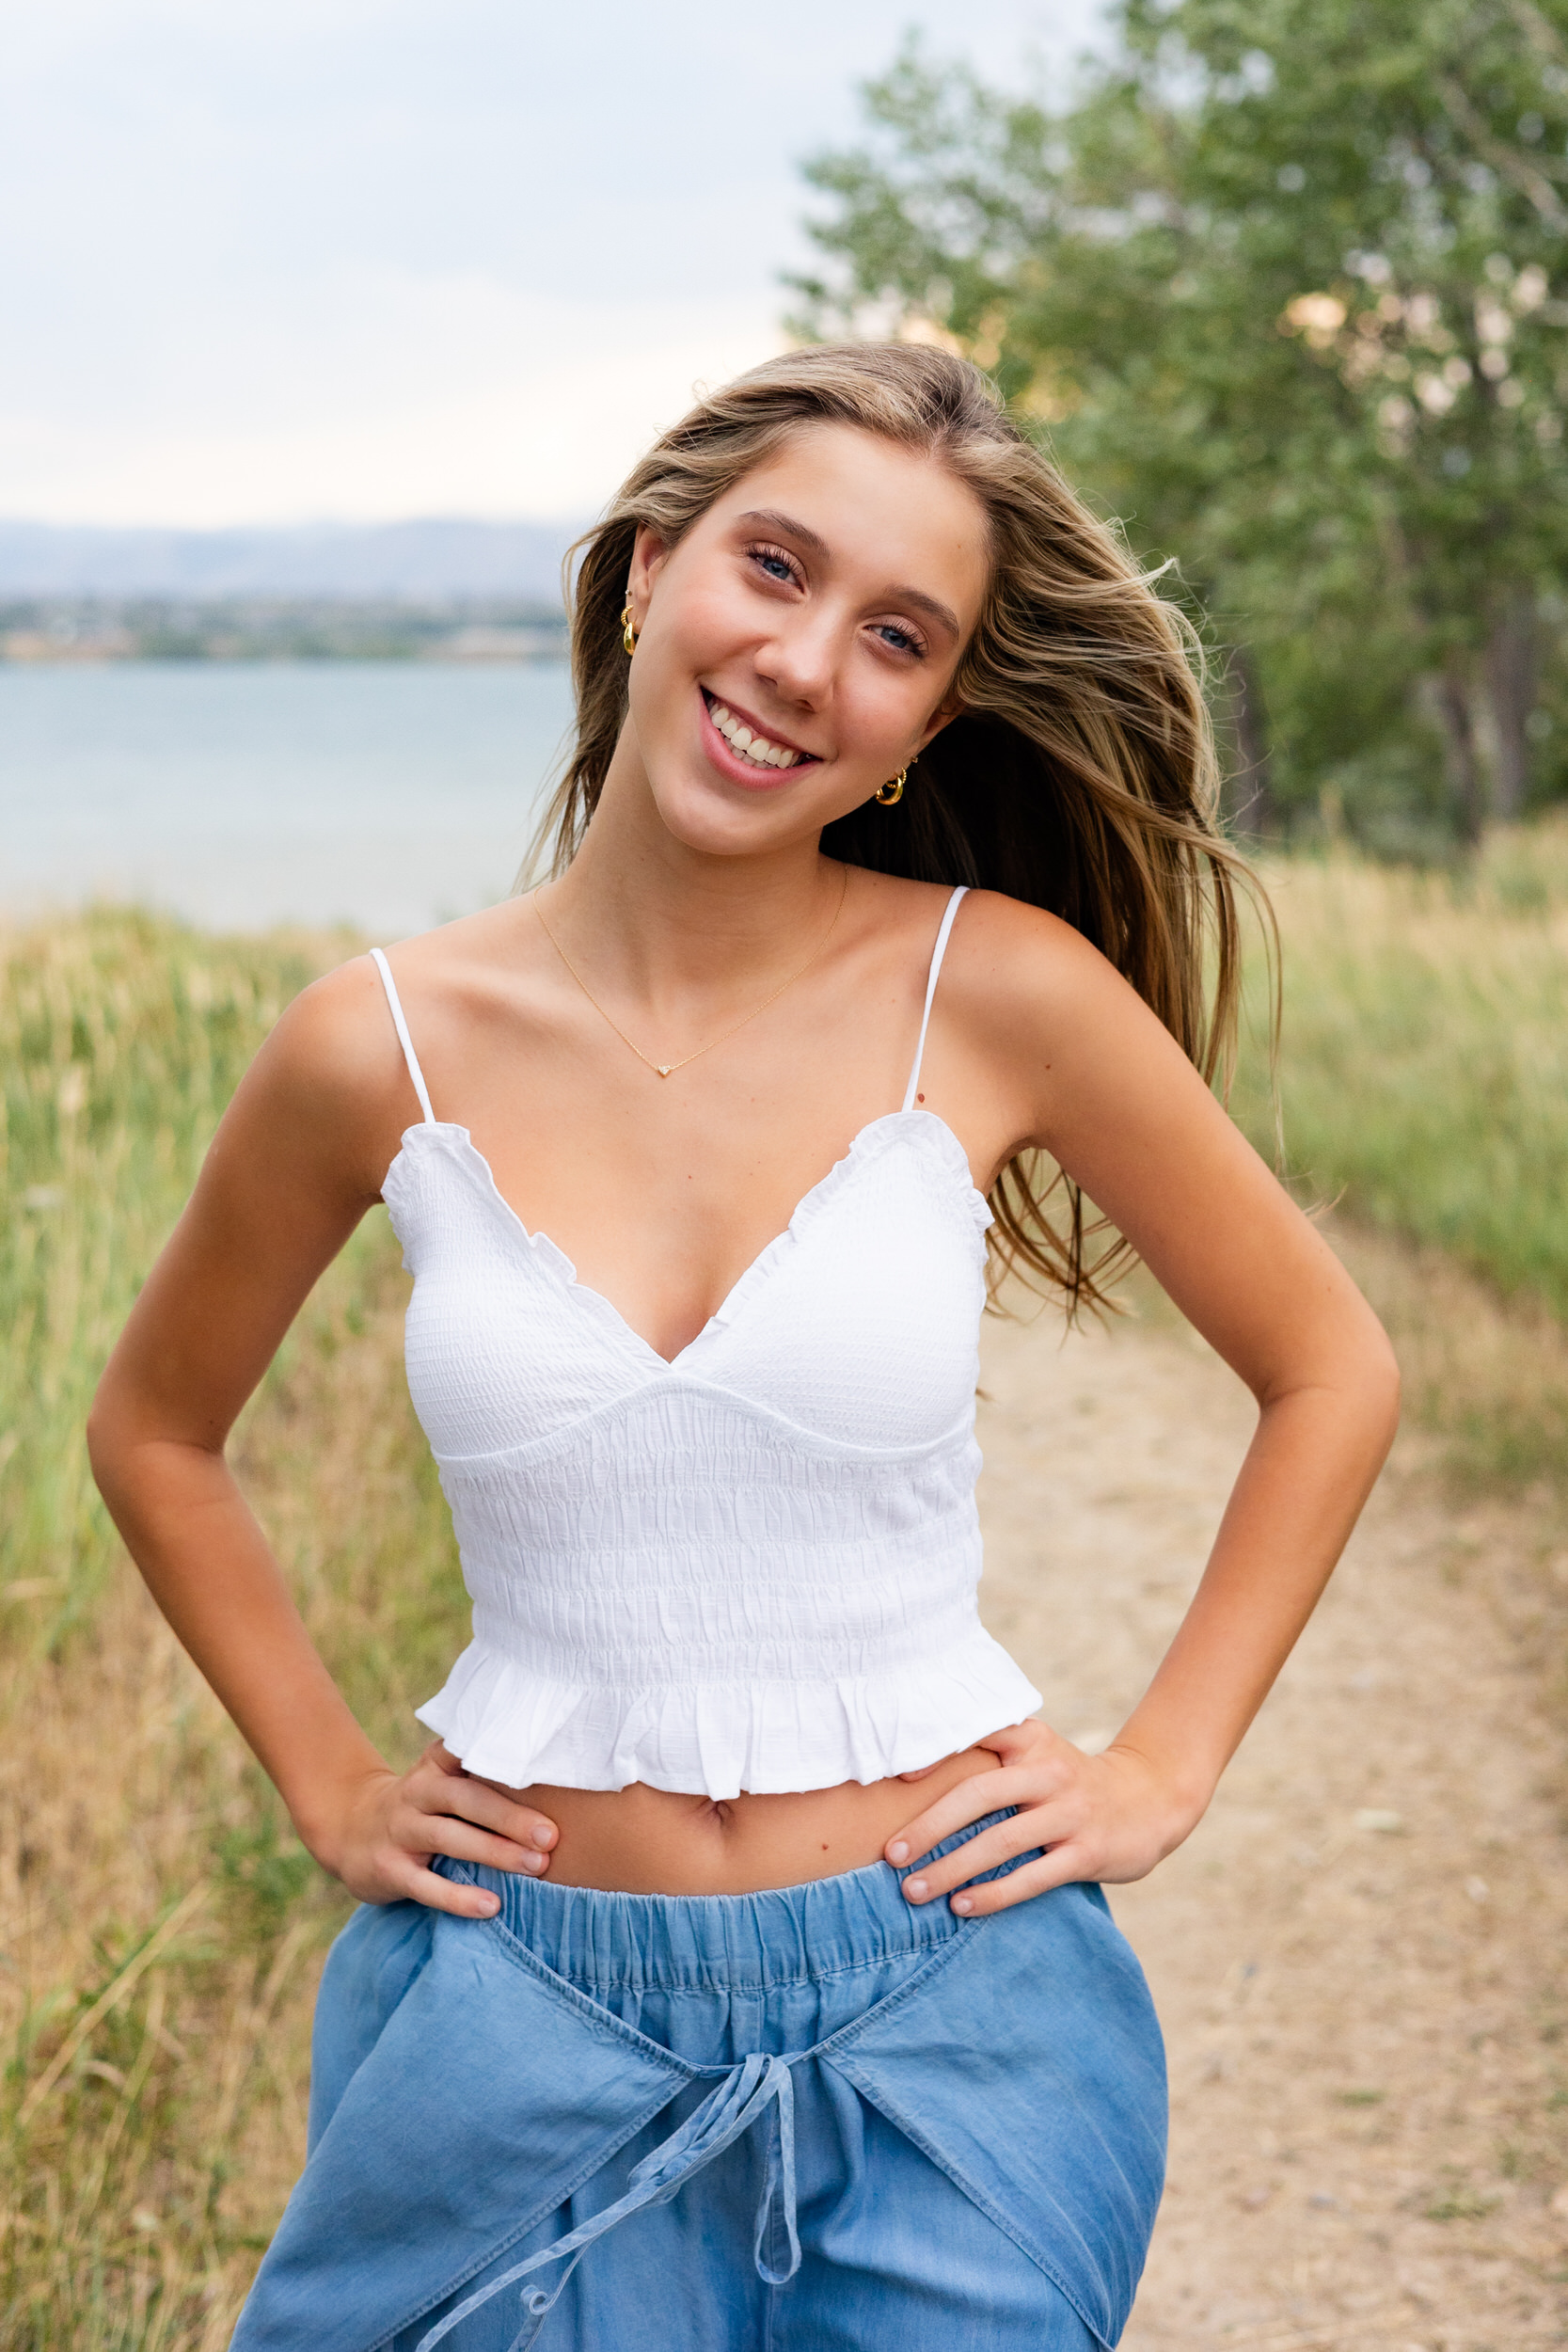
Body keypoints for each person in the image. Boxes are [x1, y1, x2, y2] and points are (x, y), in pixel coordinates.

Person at [88, 343, 1400, 2351]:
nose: (804, 661)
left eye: (894, 634)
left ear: (926, 720)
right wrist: (329, 1780)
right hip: (511, 2016)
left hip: (954, 2018)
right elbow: (158, 1430)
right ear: (643, 572)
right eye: (770, 567)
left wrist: (1161, 1763)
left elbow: (1333, 1364)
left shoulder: (1000, 988)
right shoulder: (376, 1043)